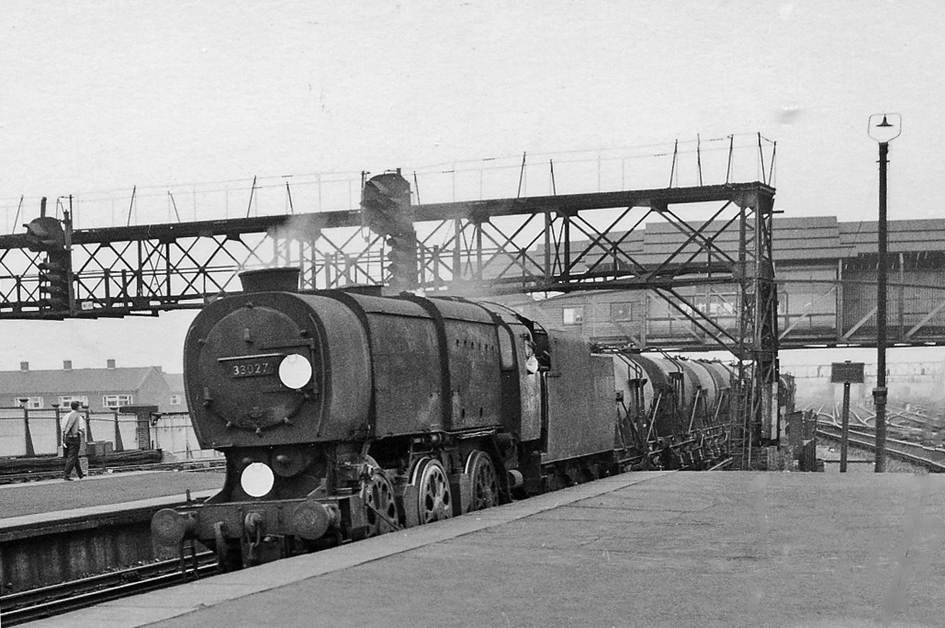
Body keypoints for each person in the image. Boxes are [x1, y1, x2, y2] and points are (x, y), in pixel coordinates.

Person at [62, 401, 86, 481]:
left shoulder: (66, 416)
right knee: (72, 457)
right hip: (75, 438)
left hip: (66, 438)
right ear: (78, 407)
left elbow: (62, 427)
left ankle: (80, 474)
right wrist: (80, 434)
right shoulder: (78, 417)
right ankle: (66, 474)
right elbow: (82, 429)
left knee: (74, 456)